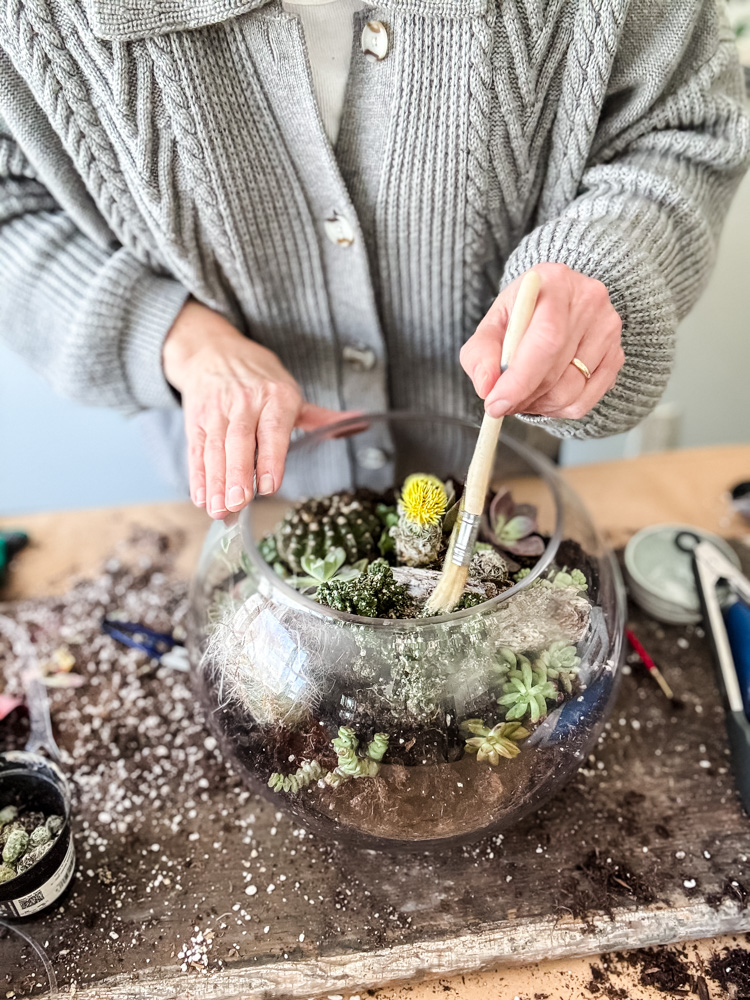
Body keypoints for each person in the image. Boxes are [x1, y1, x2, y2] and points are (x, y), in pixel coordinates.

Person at [0, 0, 747, 519]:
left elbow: (685, 132)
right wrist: (175, 338)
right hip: (241, 506)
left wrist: (602, 259)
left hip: (505, 492)